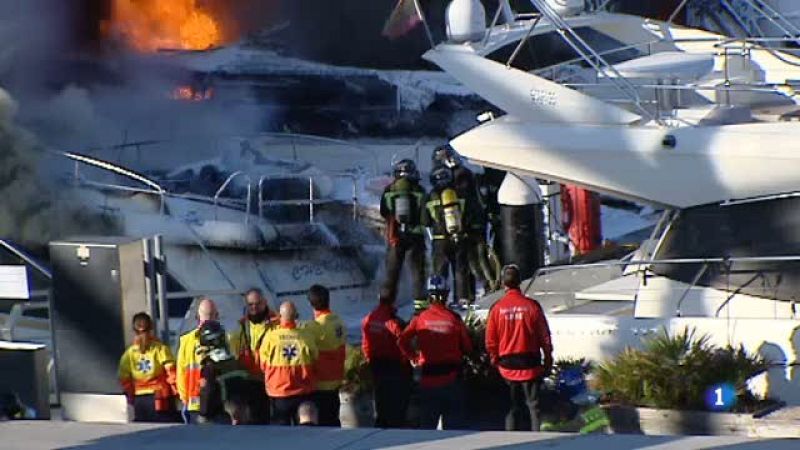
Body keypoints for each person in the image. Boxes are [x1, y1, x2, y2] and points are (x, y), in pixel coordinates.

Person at [398, 276, 472, 429]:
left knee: (427, 428)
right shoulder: (454, 319)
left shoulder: (419, 319)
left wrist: (414, 358)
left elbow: (402, 341)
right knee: (455, 430)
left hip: (428, 381)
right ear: (445, 295)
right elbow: (467, 347)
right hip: (452, 380)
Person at [485, 265, 553, 432]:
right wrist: (548, 359)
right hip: (530, 364)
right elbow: (544, 336)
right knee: (534, 407)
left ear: (503, 283)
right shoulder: (532, 306)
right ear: (520, 282)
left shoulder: (496, 308)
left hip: (506, 366)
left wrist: (494, 360)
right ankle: (537, 441)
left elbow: (490, 341)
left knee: (511, 409)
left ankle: (511, 442)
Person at [432, 144, 491, 302]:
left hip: (449, 233)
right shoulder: (465, 175)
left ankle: (441, 299)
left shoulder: (453, 181)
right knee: (465, 266)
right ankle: (467, 296)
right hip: (464, 228)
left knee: (462, 264)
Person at [380, 158, 428, 313]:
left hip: (395, 237)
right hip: (416, 238)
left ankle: (386, 306)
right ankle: (420, 308)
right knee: (417, 274)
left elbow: (384, 212)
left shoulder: (389, 190)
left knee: (392, 273)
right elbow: (425, 217)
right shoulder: (419, 190)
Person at [260, 301, 319, 425]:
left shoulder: (271, 337)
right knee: (305, 428)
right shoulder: (306, 337)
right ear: (296, 316)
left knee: (282, 432)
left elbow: (263, 365)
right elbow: (315, 360)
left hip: (279, 393)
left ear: (279, 316)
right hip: (303, 392)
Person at [361, 287, 411, 428]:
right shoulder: (393, 322)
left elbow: (365, 343)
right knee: (396, 399)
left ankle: (381, 422)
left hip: (376, 364)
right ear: (393, 301)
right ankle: (396, 423)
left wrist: (368, 359)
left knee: (380, 396)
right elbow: (402, 345)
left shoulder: (368, 319)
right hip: (394, 366)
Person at [197, 320, 262, 425]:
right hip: (243, 418)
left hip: (220, 419)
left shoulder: (210, 369)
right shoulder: (237, 365)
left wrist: (203, 415)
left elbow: (207, 393)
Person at [118, 312, 178, 423]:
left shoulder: (129, 354)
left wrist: (131, 397)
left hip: (139, 400)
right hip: (160, 398)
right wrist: (176, 392)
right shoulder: (160, 349)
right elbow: (172, 373)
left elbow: (124, 379)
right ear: (151, 328)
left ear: (134, 330)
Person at [425, 165, 470, 304]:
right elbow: (467, 214)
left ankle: (439, 300)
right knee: (460, 270)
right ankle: (462, 299)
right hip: (458, 237)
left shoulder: (430, 196)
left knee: (440, 272)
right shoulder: (458, 193)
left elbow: (425, 220)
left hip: (439, 240)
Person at [302, 284, 345, 426]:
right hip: (336, 379)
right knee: (334, 418)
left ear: (311, 304)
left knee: (323, 423)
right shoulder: (338, 321)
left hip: (321, 382)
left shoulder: (314, 327)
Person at [177, 297, 219, 423]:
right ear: (217, 316)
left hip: (193, 402)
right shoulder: (223, 339)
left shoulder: (186, 341)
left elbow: (180, 373)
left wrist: (184, 398)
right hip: (216, 402)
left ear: (197, 316)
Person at [230, 288, 277, 377]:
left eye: (258, 304)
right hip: (249, 380)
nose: (254, 307)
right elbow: (232, 350)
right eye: (250, 304)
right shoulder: (241, 327)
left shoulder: (277, 324)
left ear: (265, 302)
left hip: (270, 378)